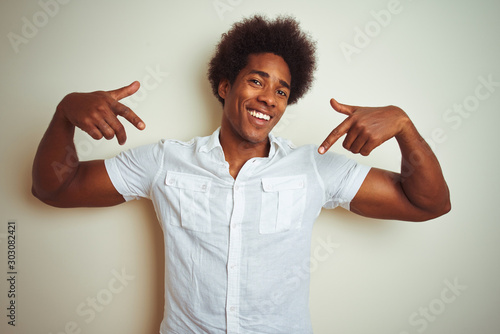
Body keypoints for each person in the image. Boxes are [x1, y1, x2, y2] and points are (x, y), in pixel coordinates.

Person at [32, 15, 450, 334]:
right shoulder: (165, 162)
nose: (268, 98)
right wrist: (64, 114)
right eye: (256, 81)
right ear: (224, 85)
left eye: (282, 91)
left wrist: (404, 127)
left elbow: (429, 203)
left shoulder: (313, 167)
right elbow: (54, 188)